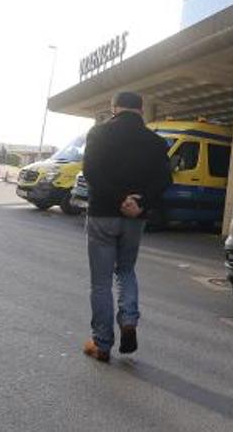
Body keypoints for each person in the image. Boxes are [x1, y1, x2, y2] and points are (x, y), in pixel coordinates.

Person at [80, 91, 171, 363]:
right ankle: (129, 320)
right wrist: (140, 204)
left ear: (114, 108)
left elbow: (91, 172)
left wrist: (119, 199)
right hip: (136, 218)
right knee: (127, 270)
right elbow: (165, 180)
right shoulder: (156, 142)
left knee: (101, 282)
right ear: (141, 110)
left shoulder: (98, 134)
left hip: (103, 215)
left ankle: (102, 344)